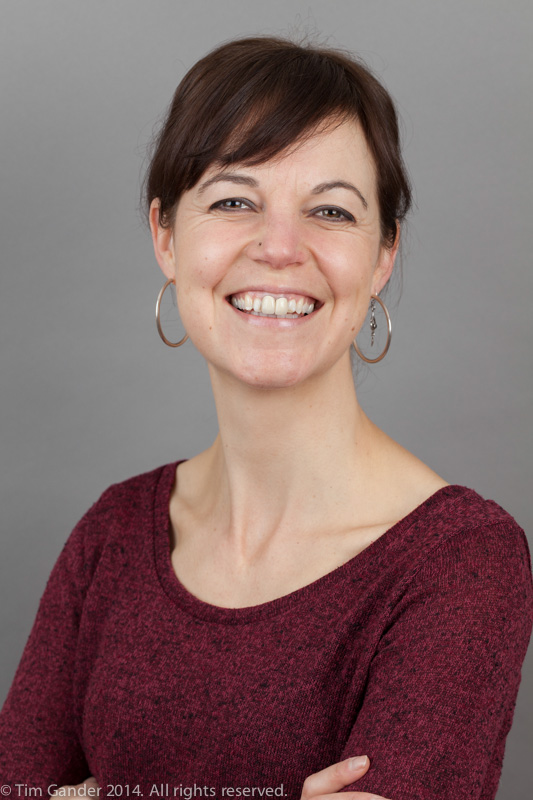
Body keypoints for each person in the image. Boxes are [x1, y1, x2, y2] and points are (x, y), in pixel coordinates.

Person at [1, 35, 532, 800]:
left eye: (329, 210)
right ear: (165, 237)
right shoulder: (111, 535)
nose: (281, 247)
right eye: (232, 201)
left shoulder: (460, 563)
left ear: (383, 254)